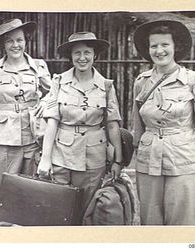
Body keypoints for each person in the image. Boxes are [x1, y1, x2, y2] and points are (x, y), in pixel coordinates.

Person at [37, 31, 123, 223]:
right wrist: (46, 158)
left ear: (95, 55)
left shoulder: (106, 86)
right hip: (62, 153)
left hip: (94, 156)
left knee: (86, 210)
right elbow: (52, 121)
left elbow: (112, 124)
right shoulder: (59, 82)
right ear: (71, 56)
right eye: (77, 53)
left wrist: (117, 161)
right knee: (58, 210)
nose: (82, 58)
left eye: (87, 53)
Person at [132, 20, 195, 225]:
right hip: (148, 161)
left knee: (182, 224)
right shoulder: (141, 82)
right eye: (154, 45)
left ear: (176, 47)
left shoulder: (193, 80)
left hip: (185, 160)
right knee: (150, 223)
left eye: (165, 44)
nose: (159, 50)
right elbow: (138, 126)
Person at [0, 19, 51, 194]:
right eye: (9, 41)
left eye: (19, 40)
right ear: (4, 44)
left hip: (33, 135)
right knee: (5, 189)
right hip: (3, 137)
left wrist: (45, 102)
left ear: (26, 41)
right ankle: (4, 223)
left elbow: (54, 92)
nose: (15, 45)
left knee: (32, 189)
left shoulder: (39, 66)